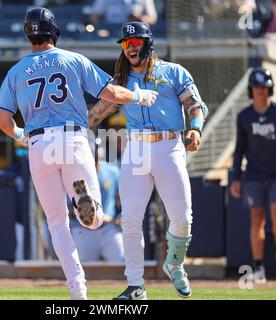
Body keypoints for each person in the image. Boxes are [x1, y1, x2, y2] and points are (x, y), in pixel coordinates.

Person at [0, 7, 158, 300]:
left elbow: (3, 122)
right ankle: (86, 204)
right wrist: (139, 96)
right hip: (72, 137)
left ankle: (78, 291)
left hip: (38, 144)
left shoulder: (16, 71)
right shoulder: (72, 59)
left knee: (57, 222)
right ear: (53, 32)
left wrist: (20, 136)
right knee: (93, 221)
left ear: (27, 34)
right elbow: (111, 93)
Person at [88, 21, 208, 299]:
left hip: (169, 145)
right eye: (125, 44)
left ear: (148, 43)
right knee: (130, 219)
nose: (129, 48)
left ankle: (175, 264)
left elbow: (195, 105)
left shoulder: (173, 72)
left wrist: (195, 128)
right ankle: (135, 285)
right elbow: (96, 114)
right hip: (137, 149)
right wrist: (69, 128)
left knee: (182, 218)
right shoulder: (120, 81)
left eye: (135, 43)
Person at [229, 67, 276, 283]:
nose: (261, 91)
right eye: (257, 87)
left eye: (264, 87)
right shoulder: (244, 116)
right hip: (252, 175)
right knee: (256, 219)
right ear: (251, 90)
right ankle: (258, 265)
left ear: (270, 89)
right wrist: (235, 177)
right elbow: (239, 148)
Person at [70, 145, 124, 262]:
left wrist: (120, 216)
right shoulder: (75, 175)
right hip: (83, 229)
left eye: (96, 158)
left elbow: (122, 199)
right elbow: (69, 208)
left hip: (109, 229)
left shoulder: (112, 171)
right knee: (82, 267)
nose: (95, 161)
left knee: (122, 260)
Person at [89, 0, 158, 26]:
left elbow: (152, 19)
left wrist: (138, 17)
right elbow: (94, 16)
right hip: (111, 31)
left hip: (134, 32)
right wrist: (100, 27)